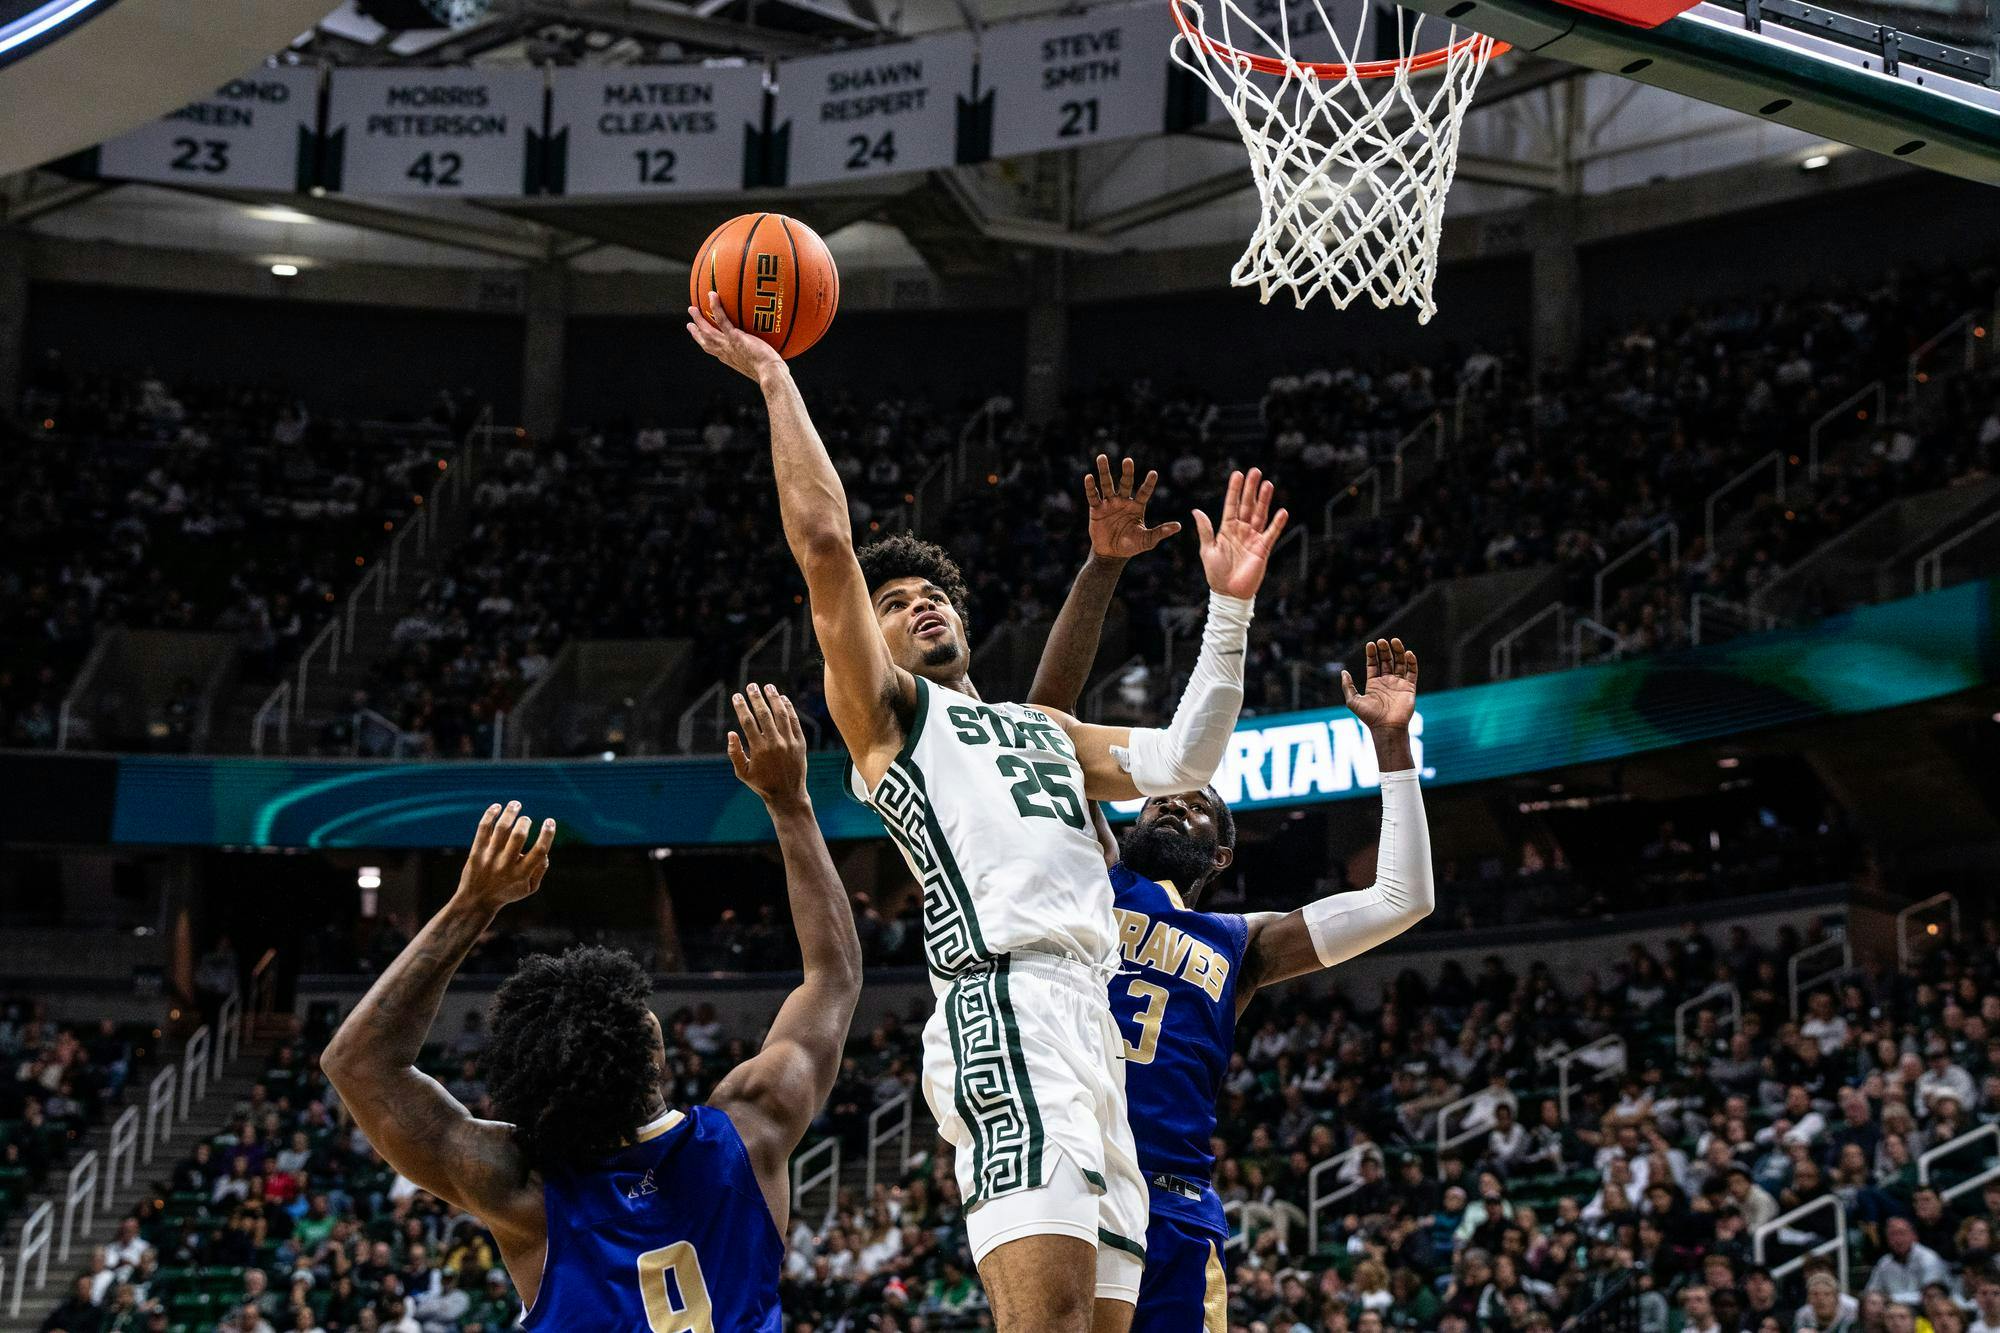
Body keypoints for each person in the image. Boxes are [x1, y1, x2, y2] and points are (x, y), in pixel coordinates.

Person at [688, 306, 1288, 1333]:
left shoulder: (1041, 726)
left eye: (934, 594)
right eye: (897, 602)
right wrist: (776, 380)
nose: (922, 605)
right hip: (1002, 1009)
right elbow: (826, 541)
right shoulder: (892, 720)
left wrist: (1226, 609)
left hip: (1092, 1025)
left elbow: (1186, 758)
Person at [1024, 456, 1434, 1333]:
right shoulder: (1095, 874)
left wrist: (1393, 749)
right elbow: (1041, 722)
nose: (1175, 799)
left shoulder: (1239, 942)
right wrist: (1102, 566)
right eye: (1166, 793)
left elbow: (1402, 896)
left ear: (1222, 847)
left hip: (1171, 1208)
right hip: (1070, 1188)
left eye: (1197, 802)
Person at [321, 685, 860, 1332]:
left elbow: (356, 1063)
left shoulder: (524, 1191)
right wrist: (790, 801)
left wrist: (471, 906)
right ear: (654, 1048)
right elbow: (832, 976)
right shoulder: (750, 1128)